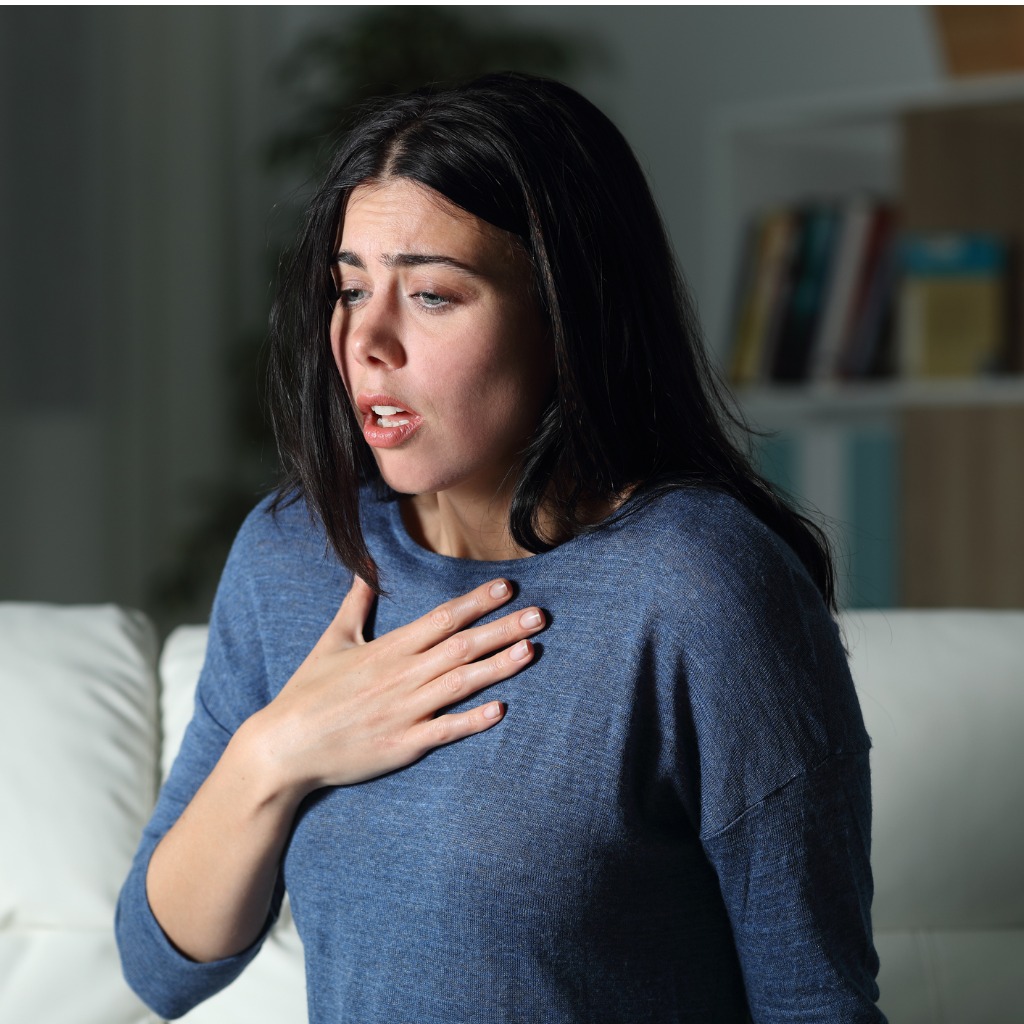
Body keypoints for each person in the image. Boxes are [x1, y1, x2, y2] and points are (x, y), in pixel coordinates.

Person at [116, 72, 885, 1023]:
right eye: (351, 289)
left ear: (567, 314)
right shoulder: (294, 554)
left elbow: (817, 1006)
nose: (367, 341)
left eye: (433, 295)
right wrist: (281, 750)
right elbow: (162, 968)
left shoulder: (702, 589)